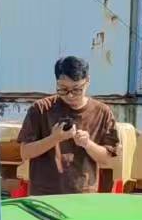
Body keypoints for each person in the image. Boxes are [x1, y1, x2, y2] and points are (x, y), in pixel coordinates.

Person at [17, 57, 120, 195]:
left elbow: (108, 159)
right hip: (44, 194)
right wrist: (54, 138)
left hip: (83, 195)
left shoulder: (102, 112)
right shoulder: (41, 109)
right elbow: (25, 153)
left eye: (77, 89)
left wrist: (87, 144)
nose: (70, 95)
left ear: (87, 81)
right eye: (63, 89)